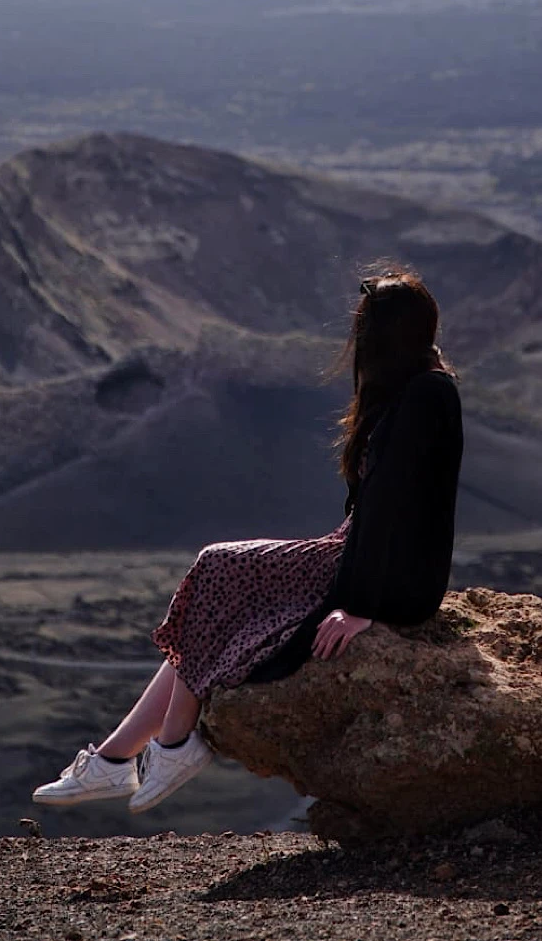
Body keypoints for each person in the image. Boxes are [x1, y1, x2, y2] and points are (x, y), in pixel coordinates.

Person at [31, 267, 463, 814]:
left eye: (364, 328)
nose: (355, 340)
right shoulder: (408, 389)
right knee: (218, 591)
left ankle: (172, 744)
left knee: (218, 566)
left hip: (385, 573)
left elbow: (405, 512)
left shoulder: (428, 393)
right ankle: (119, 760)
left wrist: (365, 609)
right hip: (358, 552)